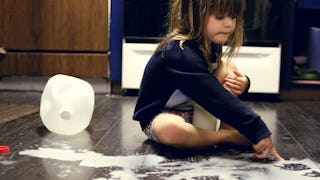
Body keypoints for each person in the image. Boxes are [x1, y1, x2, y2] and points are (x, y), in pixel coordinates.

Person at [133, 0, 283, 160]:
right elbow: (215, 97)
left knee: (228, 67)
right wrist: (257, 129)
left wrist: (244, 84)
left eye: (233, 17)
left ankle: (216, 134)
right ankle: (227, 136)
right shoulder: (178, 53)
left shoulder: (209, 43)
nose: (229, 24)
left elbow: (214, 92)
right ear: (194, 15)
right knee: (171, 129)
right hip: (160, 116)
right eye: (220, 17)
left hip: (194, 112)